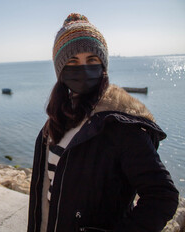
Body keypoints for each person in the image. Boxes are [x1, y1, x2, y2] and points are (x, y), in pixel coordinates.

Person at [27, 13, 179, 232]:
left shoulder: (121, 125)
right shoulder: (58, 119)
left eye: (92, 60)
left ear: (103, 65)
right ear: (60, 70)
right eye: (73, 61)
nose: (84, 69)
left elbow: (162, 195)